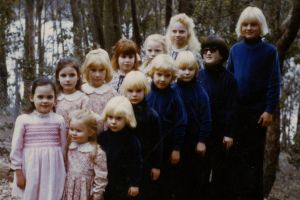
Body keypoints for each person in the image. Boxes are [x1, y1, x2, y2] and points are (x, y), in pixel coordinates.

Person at [227, 6, 281, 200]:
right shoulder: (235, 50)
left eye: (253, 25)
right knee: (234, 158)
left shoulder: (269, 51)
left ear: (261, 27)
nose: (249, 28)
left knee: (253, 160)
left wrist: (269, 110)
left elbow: (274, 83)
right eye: (245, 25)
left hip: (257, 114)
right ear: (240, 27)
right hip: (236, 112)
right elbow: (229, 80)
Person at [10, 77, 66, 200]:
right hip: (31, 167)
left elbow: (63, 146)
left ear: (55, 99)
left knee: (51, 194)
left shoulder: (59, 119)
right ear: (31, 97)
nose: (45, 101)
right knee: (31, 194)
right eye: (40, 97)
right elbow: (16, 147)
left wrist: (63, 167)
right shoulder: (24, 119)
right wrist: (18, 172)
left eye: (49, 97)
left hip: (53, 167)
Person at [198, 35, 237, 200]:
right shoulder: (198, 76)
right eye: (205, 50)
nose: (208, 53)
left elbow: (232, 108)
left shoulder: (229, 79)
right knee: (200, 173)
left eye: (212, 51)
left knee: (220, 174)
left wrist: (229, 133)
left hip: (220, 134)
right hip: (200, 133)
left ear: (222, 54)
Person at [146, 54, 187, 200]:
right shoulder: (145, 93)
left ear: (173, 77)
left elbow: (181, 123)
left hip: (166, 147)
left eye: (167, 76)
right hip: (146, 147)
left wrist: (176, 148)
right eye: (159, 75)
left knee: (164, 186)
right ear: (152, 73)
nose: (162, 79)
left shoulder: (174, 96)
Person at [173, 50, 212, 200]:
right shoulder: (173, 91)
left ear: (196, 71)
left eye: (190, 69)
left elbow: (206, 119)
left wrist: (202, 140)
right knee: (176, 182)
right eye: (183, 69)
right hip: (176, 143)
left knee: (194, 182)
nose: (187, 72)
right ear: (176, 70)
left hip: (194, 143)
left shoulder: (201, 93)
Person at [120, 71, 162, 200]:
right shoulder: (120, 111)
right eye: (130, 91)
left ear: (145, 91)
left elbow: (158, 142)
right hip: (123, 164)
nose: (134, 94)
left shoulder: (151, 115)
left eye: (138, 91)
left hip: (145, 162)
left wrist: (156, 166)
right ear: (125, 91)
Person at [98, 96, 142, 200]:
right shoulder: (102, 137)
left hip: (124, 184)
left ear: (127, 118)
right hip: (105, 183)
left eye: (118, 118)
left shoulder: (131, 140)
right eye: (110, 117)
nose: (113, 122)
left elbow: (136, 163)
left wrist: (134, 183)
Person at [63, 109, 108, 200]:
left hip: (85, 189)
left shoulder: (96, 151)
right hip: (70, 187)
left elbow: (101, 174)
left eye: (79, 131)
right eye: (71, 129)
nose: (74, 133)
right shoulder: (70, 146)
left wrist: (98, 192)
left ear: (90, 132)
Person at [81, 48, 118, 132]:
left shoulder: (112, 93)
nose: (97, 75)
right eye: (93, 70)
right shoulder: (81, 91)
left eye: (101, 70)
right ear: (87, 70)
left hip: (107, 135)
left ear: (107, 71)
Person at [55, 57, 89, 128]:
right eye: (63, 75)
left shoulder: (83, 98)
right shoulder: (55, 97)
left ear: (78, 76)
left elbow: (86, 122)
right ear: (58, 77)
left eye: (72, 75)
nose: (67, 79)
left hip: (76, 135)